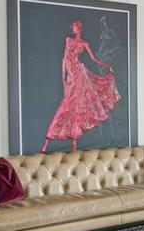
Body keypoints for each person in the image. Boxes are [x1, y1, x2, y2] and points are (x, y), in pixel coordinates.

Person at [41, 20, 120, 153]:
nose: (75, 29)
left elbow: (93, 59)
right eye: (74, 28)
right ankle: (47, 141)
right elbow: (64, 60)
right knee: (67, 104)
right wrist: (64, 79)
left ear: (80, 29)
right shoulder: (68, 40)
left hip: (80, 73)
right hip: (72, 74)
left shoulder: (84, 43)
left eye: (77, 27)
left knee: (79, 104)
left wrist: (107, 66)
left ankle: (74, 142)